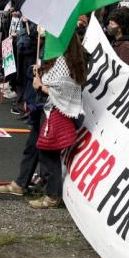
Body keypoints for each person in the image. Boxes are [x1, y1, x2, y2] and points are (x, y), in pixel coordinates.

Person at [29, 35, 87, 209]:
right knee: (48, 152)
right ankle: (50, 192)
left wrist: (40, 84)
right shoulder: (74, 59)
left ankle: (53, 195)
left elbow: (57, 89)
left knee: (48, 153)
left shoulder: (62, 61)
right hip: (59, 111)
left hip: (55, 111)